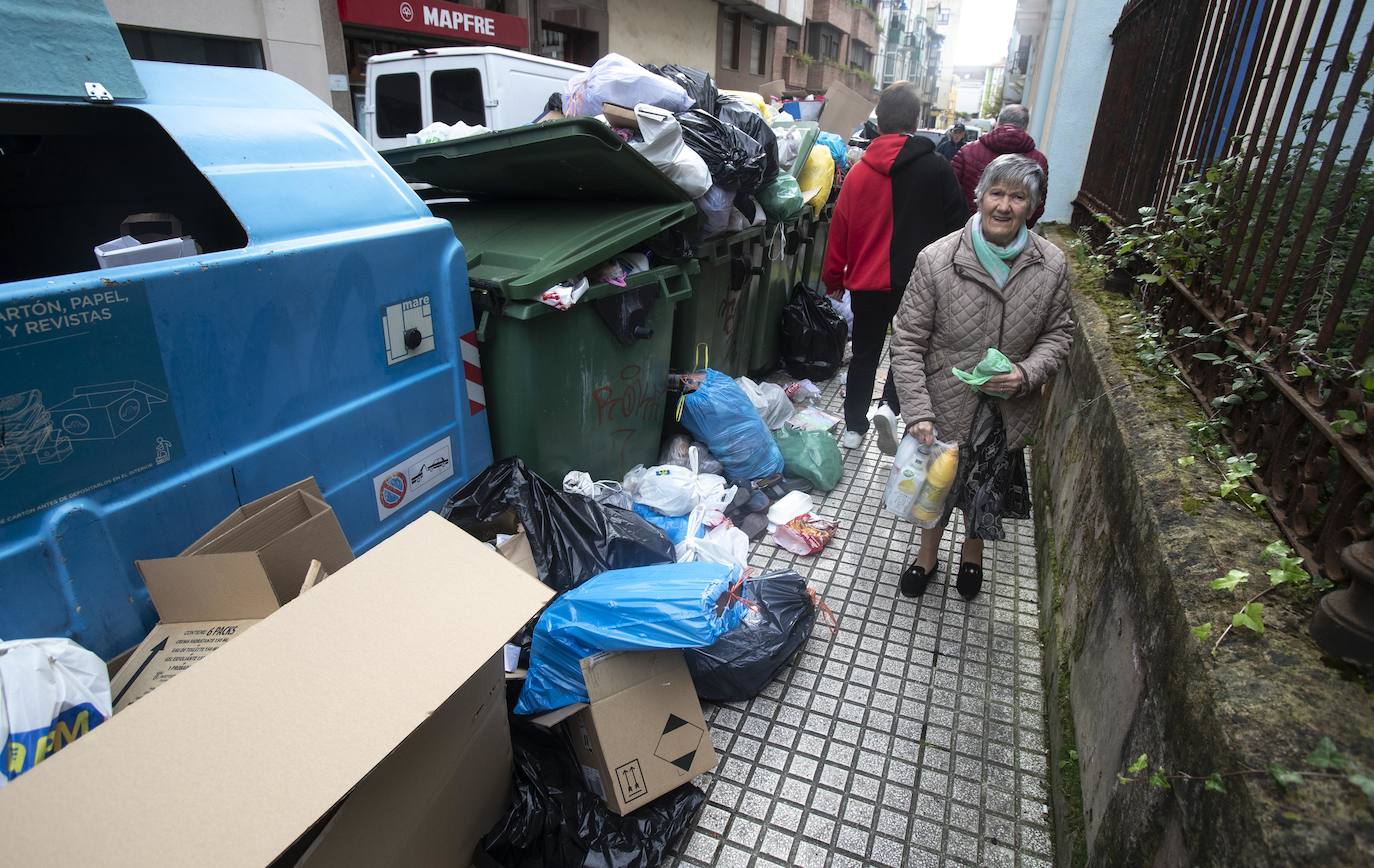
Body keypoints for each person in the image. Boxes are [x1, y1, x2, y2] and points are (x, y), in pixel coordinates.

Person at [888, 154, 1073, 600]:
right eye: (997, 193)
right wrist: (917, 410)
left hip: (1007, 408)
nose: (1005, 206)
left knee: (985, 487)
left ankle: (973, 557)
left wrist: (1026, 373)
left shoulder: (1051, 265)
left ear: (1032, 206)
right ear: (979, 197)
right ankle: (926, 557)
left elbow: (1059, 333)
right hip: (945, 400)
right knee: (938, 486)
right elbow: (907, 339)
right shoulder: (937, 259)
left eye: (1018, 196)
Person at [822, 81, 968, 455]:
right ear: (917, 121)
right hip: (920, 283)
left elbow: (839, 229)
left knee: (866, 351)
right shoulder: (939, 170)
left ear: (879, 122)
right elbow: (959, 230)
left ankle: (855, 428)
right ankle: (889, 406)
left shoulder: (857, 173)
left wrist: (834, 278)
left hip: (868, 283)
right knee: (909, 351)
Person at [950, 104, 1050, 227]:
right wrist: (1020, 227)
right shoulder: (1039, 161)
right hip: (1013, 233)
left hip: (966, 227)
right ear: (1025, 127)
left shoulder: (967, 151)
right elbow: (1037, 206)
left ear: (998, 122)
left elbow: (949, 194)